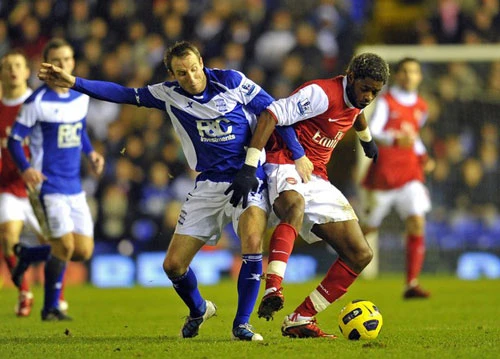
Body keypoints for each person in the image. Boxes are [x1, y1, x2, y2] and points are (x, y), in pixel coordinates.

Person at [37, 40, 307, 340]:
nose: (191, 77)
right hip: (208, 184)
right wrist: (75, 83)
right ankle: (199, 309)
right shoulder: (167, 94)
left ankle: (241, 324)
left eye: (194, 69)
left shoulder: (232, 81)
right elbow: (123, 94)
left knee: (253, 243)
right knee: (173, 266)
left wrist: (297, 154)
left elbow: (275, 112)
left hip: (247, 175)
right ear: (172, 74)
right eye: (182, 73)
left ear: (201, 62)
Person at [227, 52, 390, 338]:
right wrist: (250, 165)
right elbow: (272, 114)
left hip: (317, 175)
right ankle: (274, 286)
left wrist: (367, 142)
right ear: (351, 77)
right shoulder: (320, 93)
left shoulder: (357, 98)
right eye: (366, 88)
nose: (369, 96)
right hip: (284, 161)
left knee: (360, 254)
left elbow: (357, 113)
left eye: (376, 92)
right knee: (294, 204)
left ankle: (300, 318)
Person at [8, 38, 105, 321]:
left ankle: (28, 255)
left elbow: (79, 129)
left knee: (82, 250)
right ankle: (50, 307)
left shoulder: (81, 95)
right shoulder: (36, 101)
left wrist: (91, 153)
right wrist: (26, 168)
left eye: (67, 60)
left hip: (74, 184)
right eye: (57, 61)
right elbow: (14, 140)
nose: (63, 65)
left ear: (73, 62)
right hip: (47, 185)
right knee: (64, 247)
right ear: (48, 66)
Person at [361, 57, 431, 299]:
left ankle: (411, 283)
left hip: (411, 173)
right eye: (405, 71)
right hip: (385, 175)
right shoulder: (386, 102)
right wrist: (394, 139)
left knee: (417, 221)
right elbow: (375, 131)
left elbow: (415, 137)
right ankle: (339, 259)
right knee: (368, 227)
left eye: (414, 71)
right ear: (398, 76)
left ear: (419, 76)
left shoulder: (422, 106)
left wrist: (423, 156)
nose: (410, 76)